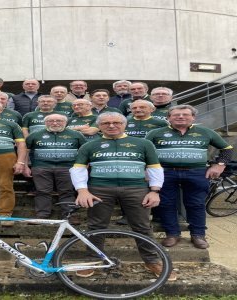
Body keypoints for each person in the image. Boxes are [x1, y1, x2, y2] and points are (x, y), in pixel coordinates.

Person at [69, 112, 176, 280]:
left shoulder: (143, 143)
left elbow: (154, 167)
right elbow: (78, 169)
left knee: (142, 227)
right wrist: (82, 190)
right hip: (100, 189)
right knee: (96, 227)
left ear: (124, 124)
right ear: (99, 126)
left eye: (116, 122)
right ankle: (92, 261)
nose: (111, 126)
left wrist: (155, 191)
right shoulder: (89, 145)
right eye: (106, 123)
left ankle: (152, 261)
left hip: (136, 188)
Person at [146, 105, 234, 249]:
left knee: (196, 204)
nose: (181, 117)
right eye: (176, 115)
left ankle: (198, 235)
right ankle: (172, 234)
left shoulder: (206, 132)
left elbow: (227, 149)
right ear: (168, 118)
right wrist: (147, 170)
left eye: (185, 114)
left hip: (197, 172)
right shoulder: (155, 133)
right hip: (165, 173)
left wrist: (220, 164)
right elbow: (145, 152)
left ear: (193, 117)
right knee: (166, 204)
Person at [23, 114, 86, 223]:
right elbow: (26, 151)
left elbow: (84, 152)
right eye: (51, 121)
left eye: (59, 121)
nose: (55, 123)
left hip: (68, 168)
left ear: (65, 122)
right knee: (42, 191)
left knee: (67, 191)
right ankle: (42, 215)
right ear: (45, 123)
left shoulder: (77, 135)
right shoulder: (35, 135)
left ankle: (69, 215)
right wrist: (24, 166)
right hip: (41, 167)